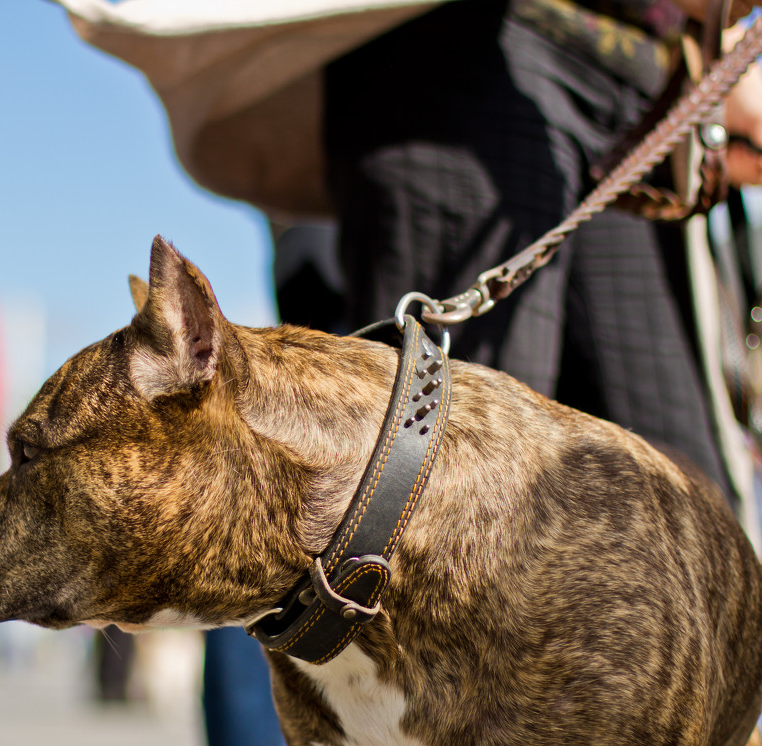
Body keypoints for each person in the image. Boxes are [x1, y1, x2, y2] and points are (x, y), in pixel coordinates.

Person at [321, 0, 762, 509]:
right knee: (455, 491)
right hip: (478, 45)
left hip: (639, 84)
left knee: (686, 501)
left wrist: (725, 62)